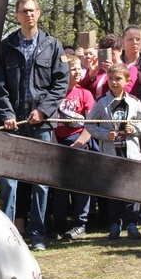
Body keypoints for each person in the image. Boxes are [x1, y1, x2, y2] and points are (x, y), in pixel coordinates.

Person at [0, 0, 68, 251]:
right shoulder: (6, 46)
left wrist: (44, 111)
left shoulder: (52, 45)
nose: (28, 15)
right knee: (8, 181)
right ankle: (9, 234)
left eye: (32, 10)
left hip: (41, 124)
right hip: (13, 123)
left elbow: (61, 84)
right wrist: (7, 115)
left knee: (40, 181)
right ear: (16, 15)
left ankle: (37, 233)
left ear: (39, 13)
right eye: (23, 11)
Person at [86, 64, 141, 240]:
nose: (114, 82)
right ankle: (115, 223)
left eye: (118, 78)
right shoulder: (101, 103)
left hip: (130, 153)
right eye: (111, 78)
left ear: (127, 81)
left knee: (131, 189)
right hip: (111, 153)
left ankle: (132, 223)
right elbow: (89, 124)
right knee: (113, 190)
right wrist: (105, 135)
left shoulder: (134, 102)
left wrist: (133, 128)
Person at [52, 56, 94, 241]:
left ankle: (80, 223)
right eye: (72, 69)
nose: (77, 72)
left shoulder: (85, 94)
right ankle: (59, 223)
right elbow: (50, 122)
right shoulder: (55, 95)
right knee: (60, 186)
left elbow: (91, 124)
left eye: (79, 68)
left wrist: (79, 143)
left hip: (79, 142)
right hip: (58, 143)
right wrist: (54, 143)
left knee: (80, 185)